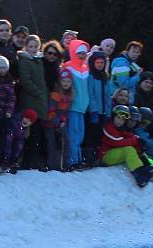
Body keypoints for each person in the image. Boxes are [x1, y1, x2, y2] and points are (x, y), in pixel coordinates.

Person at [100, 104, 153, 188]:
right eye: (118, 118)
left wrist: (139, 140)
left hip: (115, 154)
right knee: (128, 149)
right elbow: (117, 141)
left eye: (123, 119)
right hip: (105, 156)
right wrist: (135, 140)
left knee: (135, 149)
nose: (120, 121)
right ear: (113, 117)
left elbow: (129, 136)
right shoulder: (108, 127)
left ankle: (147, 167)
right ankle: (139, 175)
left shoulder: (120, 128)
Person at [16, 34, 47, 168]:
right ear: (26, 47)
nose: (34, 49)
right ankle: (26, 161)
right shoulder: (25, 61)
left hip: (39, 102)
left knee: (37, 133)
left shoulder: (38, 60)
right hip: (30, 101)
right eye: (31, 46)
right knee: (29, 133)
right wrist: (38, 92)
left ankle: (33, 160)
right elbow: (25, 81)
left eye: (36, 46)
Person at [62, 39, 90, 169]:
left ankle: (78, 158)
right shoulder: (68, 67)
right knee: (73, 134)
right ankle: (72, 160)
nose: (82, 55)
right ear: (73, 52)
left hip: (82, 107)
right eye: (79, 53)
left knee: (80, 134)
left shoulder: (86, 68)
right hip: (72, 106)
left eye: (84, 53)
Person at [43, 69, 72, 171]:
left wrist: (63, 120)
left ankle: (64, 164)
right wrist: (58, 122)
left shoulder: (68, 95)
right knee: (53, 143)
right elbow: (51, 110)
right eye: (64, 81)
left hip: (61, 122)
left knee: (65, 142)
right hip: (52, 123)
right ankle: (53, 165)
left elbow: (65, 111)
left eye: (68, 81)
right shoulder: (55, 95)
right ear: (60, 81)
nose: (66, 84)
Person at [85, 51, 111, 165]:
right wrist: (93, 110)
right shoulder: (90, 76)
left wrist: (108, 112)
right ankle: (89, 158)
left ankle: (98, 157)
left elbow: (107, 96)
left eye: (101, 62)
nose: (99, 64)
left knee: (100, 136)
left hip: (103, 111)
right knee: (91, 135)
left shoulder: (105, 77)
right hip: (94, 111)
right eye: (97, 62)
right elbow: (90, 94)